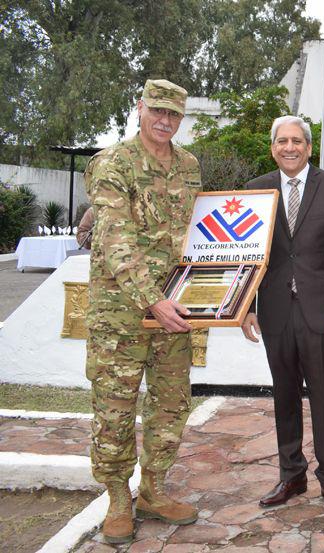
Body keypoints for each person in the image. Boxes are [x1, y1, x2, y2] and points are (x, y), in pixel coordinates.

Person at [84, 79, 201, 544]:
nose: (164, 121)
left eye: (173, 115)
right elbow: (114, 239)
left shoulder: (189, 166)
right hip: (123, 313)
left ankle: (153, 488)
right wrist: (152, 298)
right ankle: (117, 496)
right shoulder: (114, 163)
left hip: (175, 310)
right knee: (114, 409)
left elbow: (200, 234)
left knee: (171, 405)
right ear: (140, 108)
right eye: (157, 111)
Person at [240, 115, 324, 517]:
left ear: (309, 147)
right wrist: (245, 307)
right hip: (275, 312)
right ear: (273, 147)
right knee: (284, 396)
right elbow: (246, 256)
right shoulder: (256, 190)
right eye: (281, 141)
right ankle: (292, 475)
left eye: (297, 141)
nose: (289, 147)